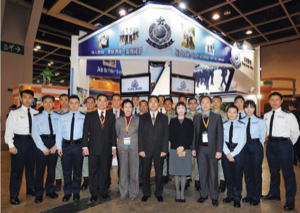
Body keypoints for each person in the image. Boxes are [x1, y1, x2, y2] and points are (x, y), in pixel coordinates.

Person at [262, 92, 299, 211]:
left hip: (284, 145)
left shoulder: (289, 115)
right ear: (269, 101)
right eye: (272, 99)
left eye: (277, 99)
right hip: (271, 145)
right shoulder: (266, 115)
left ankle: (290, 200)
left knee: (288, 173)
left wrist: (287, 145)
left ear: (281, 101)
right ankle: (274, 194)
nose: (274, 102)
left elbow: (296, 133)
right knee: (273, 171)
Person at [5, 90, 39, 205]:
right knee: (17, 170)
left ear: (33, 99)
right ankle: (14, 195)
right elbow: (9, 129)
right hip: (19, 142)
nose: (28, 100)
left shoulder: (36, 113)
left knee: (30, 168)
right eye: (25, 97)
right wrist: (10, 145)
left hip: (32, 143)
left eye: (30, 98)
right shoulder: (14, 113)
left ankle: (31, 189)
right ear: (20, 98)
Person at [82, 94, 116, 202]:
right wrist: (84, 146)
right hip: (93, 148)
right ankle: (94, 193)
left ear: (107, 103)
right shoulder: (90, 115)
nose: (102, 102)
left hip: (106, 148)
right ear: (96, 102)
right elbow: (85, 132)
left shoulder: (111, 115)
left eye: (104, 101)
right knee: (93, 171)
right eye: (100, 100)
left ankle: (104, 191)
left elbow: (113, 132)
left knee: (105, 171)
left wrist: (114, 146)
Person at [192, 96, 223, 207]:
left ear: (210, 104)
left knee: (213, 174)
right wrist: (194, 149)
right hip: (200, 149)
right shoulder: (196, 118)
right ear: (200, 104)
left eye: (207, 102)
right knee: (202, 172)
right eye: (203, 102)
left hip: (213, 149)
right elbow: (194, 134)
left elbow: (220, 135)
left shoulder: (217, 117)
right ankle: (203, 194)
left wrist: (219, 150)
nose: (205, 104)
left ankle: (214, 196)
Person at [138, 95, 169, 203]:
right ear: (148, 104)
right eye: (150, 102)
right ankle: (146, 193)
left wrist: (165, 149)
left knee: (159, 174)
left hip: (159, 150)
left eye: (155, 101)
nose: (153, 104)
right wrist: (140, 149)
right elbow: (140, 134)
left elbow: (166, 135)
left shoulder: (164, 117)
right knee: (145, 173)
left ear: (158, 103)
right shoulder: (142, 117)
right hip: (145, 149)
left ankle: (158, 193)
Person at [56, 95, 85, 202]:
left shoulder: (83, 117)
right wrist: (59, 147)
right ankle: (67, 193)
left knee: (77, 171)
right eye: (71, 102)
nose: (73, 105)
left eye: (76, 102)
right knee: (66, 171)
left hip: (78, 146)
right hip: (66, 147)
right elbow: (59, 133)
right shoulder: (62, 117)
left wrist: (84, 147)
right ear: (68, 104)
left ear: (79, 104)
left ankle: (76, 192)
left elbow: (87, 134)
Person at [32, 95, 59, 203]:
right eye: (46, 102)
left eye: (50, 102)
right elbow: (35, 134)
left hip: (54, 144)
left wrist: (56, 146)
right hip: (41, 144)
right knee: (40, 170)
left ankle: (50, 190)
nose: (48, 104)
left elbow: (61, 133)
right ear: (42, 103)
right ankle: (39, 193)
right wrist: (43, 148)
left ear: (53, 104)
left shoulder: (58, 117)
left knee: (52, 169)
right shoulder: (36, 117)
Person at [240, 100, 266, 206]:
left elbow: (262, 137)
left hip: (256, 145)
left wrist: (258, 148)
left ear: (254, 108)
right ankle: (250, 194)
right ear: (244, 109)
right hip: (245, 146)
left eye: (251, 107)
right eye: (246, 107)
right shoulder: (241, 120)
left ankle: (256, 196)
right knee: (247, 172)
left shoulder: (260, 120)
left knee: (256, 172)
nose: (249, 110)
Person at [222, 105, 247, 208]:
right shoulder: (223, 125)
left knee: (237, 176)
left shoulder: (242, 125)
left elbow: (243, 141)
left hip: (238, 152)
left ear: (237, 114)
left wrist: (232, 154)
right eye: (229, 112)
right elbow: (221, 140)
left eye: (234, 112)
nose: (231, 114)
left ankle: (237, 197)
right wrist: (227, 153)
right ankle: (230, 195)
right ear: (227, 114)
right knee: (228, 175)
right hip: (226, 152)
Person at [169, 101, 194, 202]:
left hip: (186, 150)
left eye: (182, 108)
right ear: (176, 110)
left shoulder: (189, 122)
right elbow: (170, 136)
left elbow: (190, 136)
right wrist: (178, 147)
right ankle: (177, 193)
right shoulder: (172, 121)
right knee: (176, 173)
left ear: (185, 109)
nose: (180, 110)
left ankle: (182, 193)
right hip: (175, 150)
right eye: (178, 108)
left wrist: (183, 147)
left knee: (183, 173)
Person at [115, 99, 139, 200]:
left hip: (134, 147)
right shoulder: (119, 120)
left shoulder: (138, 119)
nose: (128, 109)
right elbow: (117, 133)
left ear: (132, 109)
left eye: (130, 107)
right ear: (122, 108)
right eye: (126, 107)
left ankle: (133, 192)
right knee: (123, 171)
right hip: (122, 148)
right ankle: (123, 192)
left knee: (134, 171)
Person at [212, 96, 227, 193]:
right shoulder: (208, 114)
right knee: (212, 164)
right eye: (214, 101)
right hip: (210, 143)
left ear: (221, 103)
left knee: (221, 164)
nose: (216, 103)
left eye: (218, 101)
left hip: (219, 142)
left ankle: (222, 182)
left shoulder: (224, 115)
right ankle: (213, 183)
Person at [55, 93, 70, 192]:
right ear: (59, 101)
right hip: (58, 142)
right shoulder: (55, 114)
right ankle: (58, 181)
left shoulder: (73, 113)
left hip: (69, 142)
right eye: (62, 100)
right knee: (58, 163)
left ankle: (69, 182)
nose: (64, 102)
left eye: (66, 99)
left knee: (70, 163)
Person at [81, 96, 96, 190]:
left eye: (92, 102)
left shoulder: (98, 115)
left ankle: (94, 180)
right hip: (85, 141)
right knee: (85, 162)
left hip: (95, 142)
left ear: (95, 104)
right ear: (85, 104)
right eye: (88, 102)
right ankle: (86, 180)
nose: (90, 104)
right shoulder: (81, 115)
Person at [185, 98, 200, 191]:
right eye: (191, 103)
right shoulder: (185, 115)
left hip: (198, 143)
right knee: (187, 161)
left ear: (197, 104)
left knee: (197, 162)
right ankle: (186, 179)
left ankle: (197, 180)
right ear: (188, 105)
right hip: (187, 142)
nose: (193, 105)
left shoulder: (201, 115)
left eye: (194, 103)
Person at [162, 98, 176, 184]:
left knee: (174, 158)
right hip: (163, 140)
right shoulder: (162, 116)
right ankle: (164, 176)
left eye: (169, 104)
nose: (167, 105)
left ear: (172, 105)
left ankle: (176, 177)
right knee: (163, 158)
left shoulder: (176, 115)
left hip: (173, 141)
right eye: (166, 104)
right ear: (163, 105)